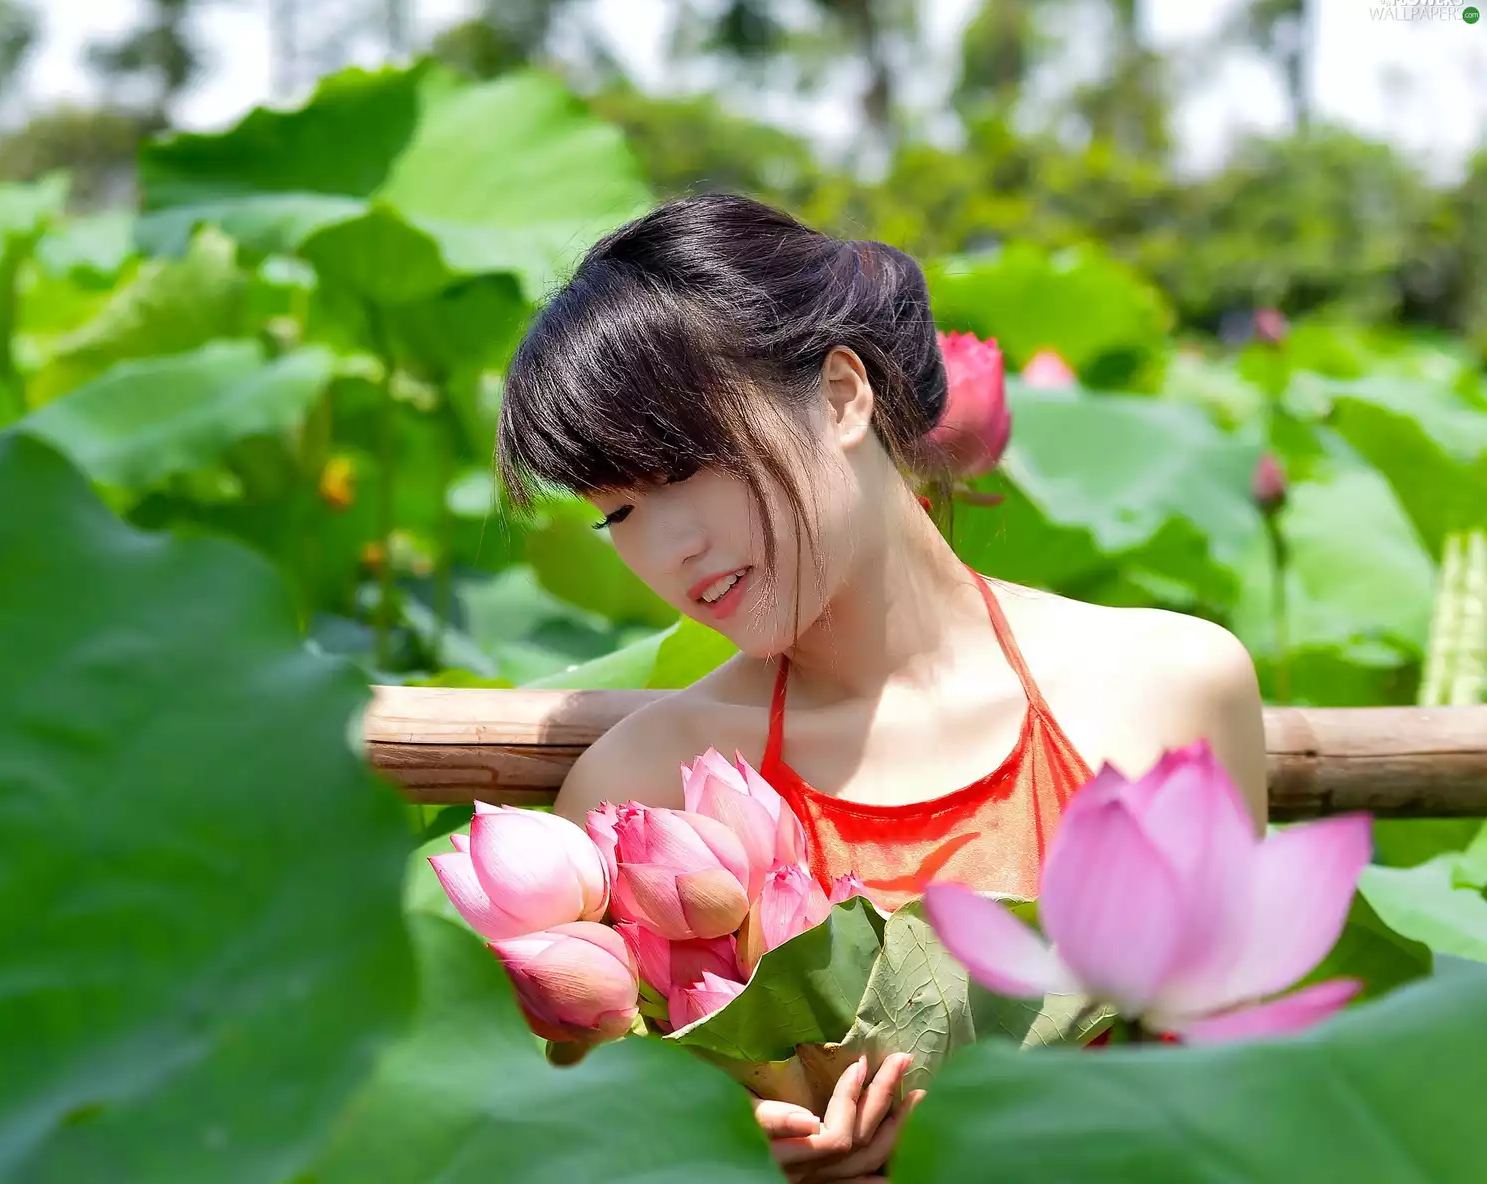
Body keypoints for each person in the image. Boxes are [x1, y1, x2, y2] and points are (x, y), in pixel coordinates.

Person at [493, 193, 1268, 1182]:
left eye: (692, 464)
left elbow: (1248, 1110)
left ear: (843, 395)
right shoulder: (637, 796)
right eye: (620, 511)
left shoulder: (1172, 689)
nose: (669, 546)